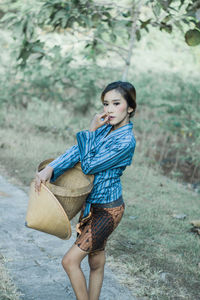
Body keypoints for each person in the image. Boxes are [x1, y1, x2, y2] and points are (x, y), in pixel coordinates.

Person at [35, 81, 137, 300]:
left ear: (130, 108)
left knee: (69, 261)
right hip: (90, 205)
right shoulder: (106, 130)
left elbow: (89, 165)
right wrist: (51, 168)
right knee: (95, 259)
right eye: (106, 103)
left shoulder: (126, 141)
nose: (109, 109)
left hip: (108, 211)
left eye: (116, 103)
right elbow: (77, 152)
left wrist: (90, 131)